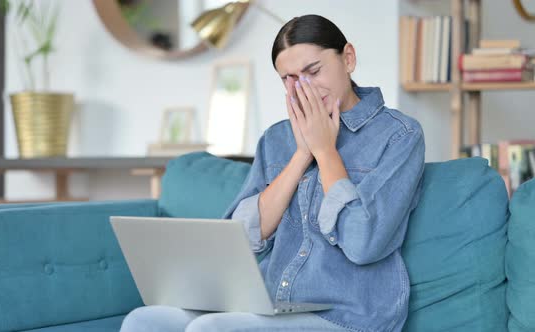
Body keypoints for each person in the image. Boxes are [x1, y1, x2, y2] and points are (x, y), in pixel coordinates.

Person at [120, 14, 425, 332]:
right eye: (288, 78)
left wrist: (325, 151)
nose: (302, 87)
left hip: (350, 315)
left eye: (313, 71)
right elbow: (241, 238)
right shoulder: (277, 138)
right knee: (144, 320)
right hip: (272, 305)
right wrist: (302, 153)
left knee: (209, 329)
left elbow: (364, 244)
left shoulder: (399, 135)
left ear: (348, 58)